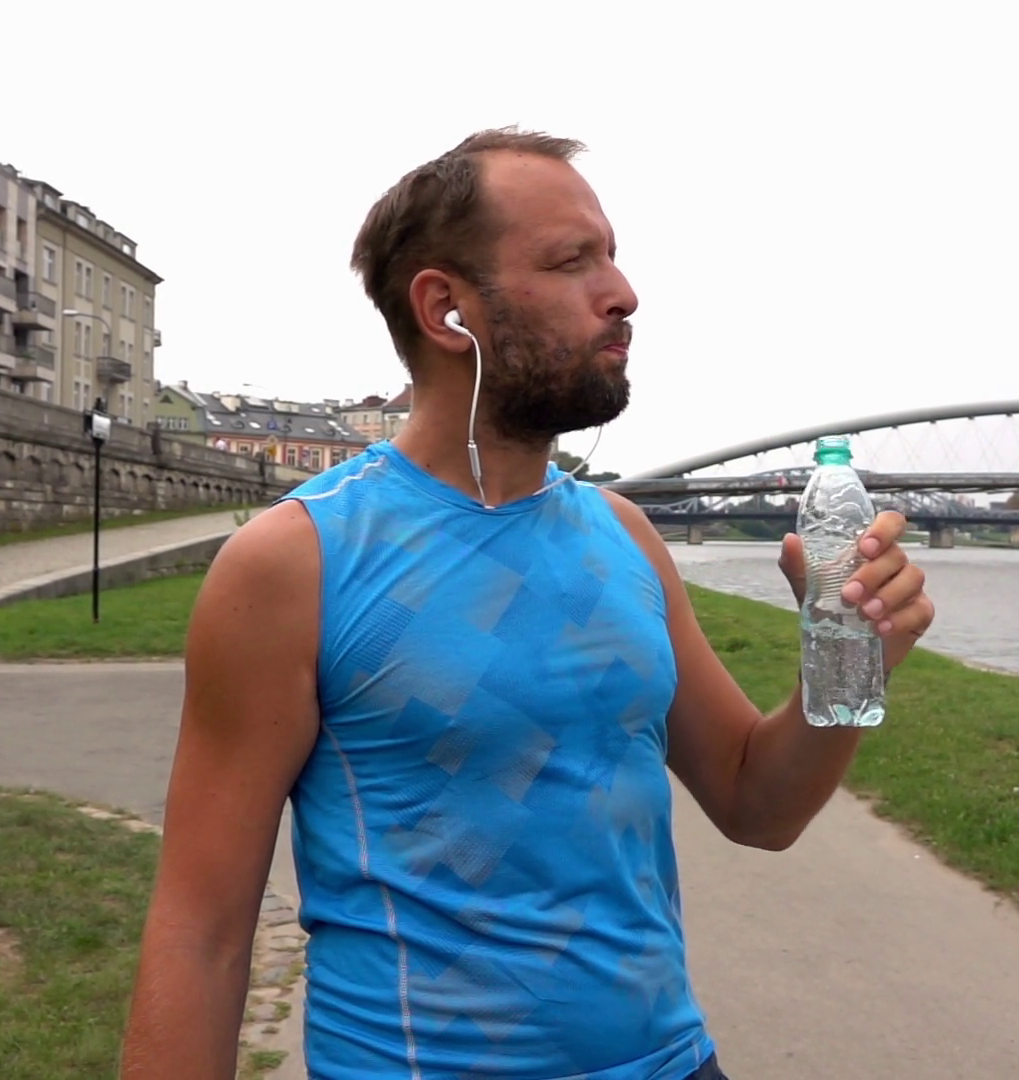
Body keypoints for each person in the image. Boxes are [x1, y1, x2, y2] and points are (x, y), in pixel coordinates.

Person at [119, 128, 935, 1080]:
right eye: (570, 260)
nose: (623, 293)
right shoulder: (297, 561)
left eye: (613, 255)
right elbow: (203, 931)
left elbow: (759, 804)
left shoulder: (624, 536)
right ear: (446, 308)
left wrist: (849, 666)